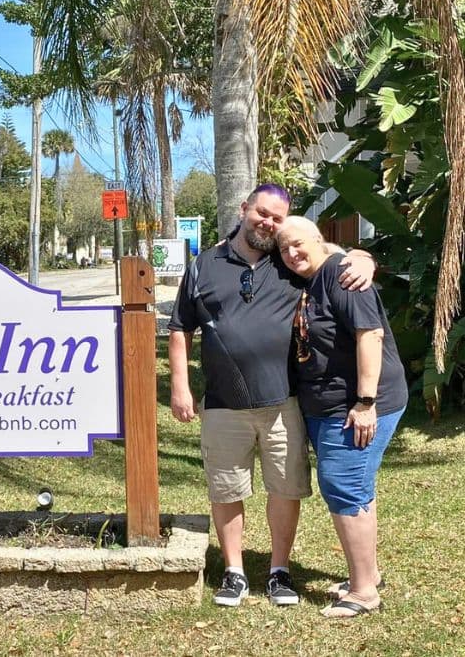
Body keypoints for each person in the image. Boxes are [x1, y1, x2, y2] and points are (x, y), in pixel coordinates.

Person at [168, 183, 375, 608]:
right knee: (226, 489)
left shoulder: (288, 263)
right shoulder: (204, 264)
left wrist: (362, 257)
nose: (268, 223)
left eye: (277, 218)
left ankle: (280, 570)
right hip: (223, 404)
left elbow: (322, 253)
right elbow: (179, 328)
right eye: (262, 213)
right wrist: (179, 386)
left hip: (284, 403)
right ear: (245, 209)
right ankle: (234, 571)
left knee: (285, 488)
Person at [276, 216, 407, 618]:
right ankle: (366, 574)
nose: (292, 253)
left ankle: (365, 592)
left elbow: (371, 334)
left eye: (298, 243)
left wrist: (365, 401)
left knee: (344, 485)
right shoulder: (313, 278)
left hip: (358, 405)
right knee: (355, 486)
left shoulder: (340, 274)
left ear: (319, 240)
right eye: (284, 248)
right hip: (327, 406)